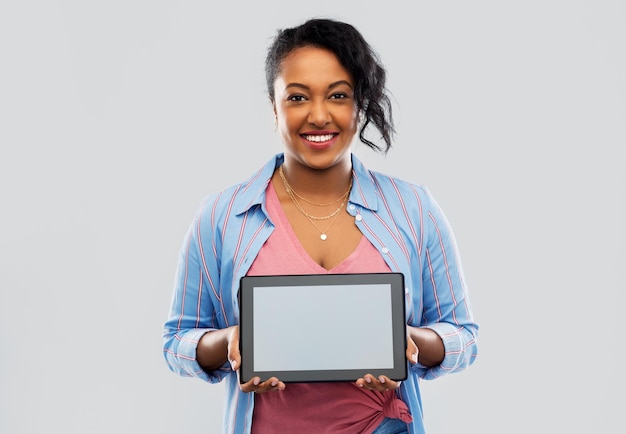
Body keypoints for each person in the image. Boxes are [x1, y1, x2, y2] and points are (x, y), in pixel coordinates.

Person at [163, 17, 479, 434]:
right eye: (297, 97)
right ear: (273, 107)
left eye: (337, 95)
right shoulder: (222, 216)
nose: (318, 115)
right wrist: (229, 342)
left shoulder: (415, 209)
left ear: (359, 104)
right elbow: (177, 341)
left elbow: (464, 337)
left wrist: (412, 345)